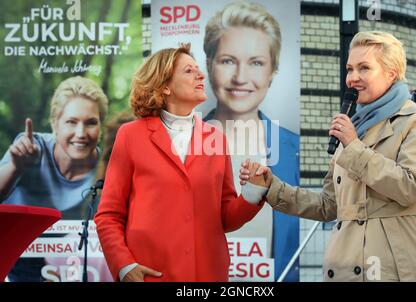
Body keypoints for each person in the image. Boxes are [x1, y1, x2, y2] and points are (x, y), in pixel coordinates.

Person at [240, 31, 416, 281]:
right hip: (345, 268)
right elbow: (329, 205)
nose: (353, 78)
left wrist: (352, 145)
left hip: (396, 269)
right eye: (350, 69)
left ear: (391, 73)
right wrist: (272, 187)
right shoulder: (352, 129)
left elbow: (409, 187)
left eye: (364, 68)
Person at [94, 44, 264, 282]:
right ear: (164, 86)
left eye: (198, 69)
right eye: (188, 71)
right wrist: (124, 266)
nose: (201, 75)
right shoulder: (130, 135)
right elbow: (109, 215)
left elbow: (224, 217)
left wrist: (253, 193)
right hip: (150, 275)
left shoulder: (215, 137)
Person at [202, 1, 300, 281]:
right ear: (209, 64)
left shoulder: (294, 150)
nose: (240, 77)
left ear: (273, 72)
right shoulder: (181, 143)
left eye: (256, 63)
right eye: (227, 60)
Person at [0, 76, 109, 281]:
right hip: (16, 263)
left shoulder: (105, 171)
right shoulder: (31, 149)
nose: (81, 133)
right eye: (71, 122)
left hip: (71, 267)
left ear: (100, 126)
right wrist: (15, 167)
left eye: (91, 123)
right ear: (55, 124)